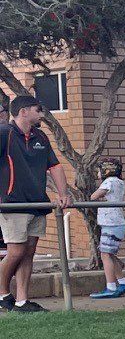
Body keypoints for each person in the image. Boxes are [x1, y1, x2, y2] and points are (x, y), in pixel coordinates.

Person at [1, 95, 73, 314]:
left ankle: (22, 300)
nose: (42, 114)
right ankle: (3, 294)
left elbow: (56, 166)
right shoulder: (4, 133)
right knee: (16, 250)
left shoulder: (40, 136)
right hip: (12, 203)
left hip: (37, 202)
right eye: (38, 109)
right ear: (24, 111)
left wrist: (63, 193)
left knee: (29, 251)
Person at [88, 158, 125, 299]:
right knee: (110, 255)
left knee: (105, 255)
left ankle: (111, 286)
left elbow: (94, 196)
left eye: (99, 171)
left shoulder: (109, 182)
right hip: (114, 223)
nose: (98, 174)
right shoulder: (120, 182)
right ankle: (123, 283)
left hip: (111, 223)